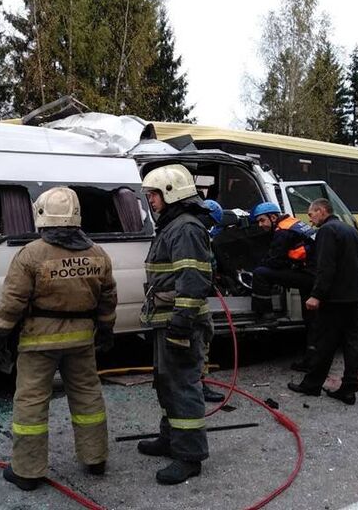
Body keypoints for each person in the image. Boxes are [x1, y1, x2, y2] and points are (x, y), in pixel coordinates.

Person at [0, 186, 117, 491]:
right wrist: (106, 330)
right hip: (82, 341)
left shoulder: (31, 254)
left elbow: (12, 302)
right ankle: (95, 458)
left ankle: (28, 472)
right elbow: (108, 298)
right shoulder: (97, 253)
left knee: (31, 403)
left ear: (42, 215)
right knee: (88, 397)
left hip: (38, 343)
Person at [139, 164, 213, 485]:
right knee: (167, 382)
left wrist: (182, 323)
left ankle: (189, 456)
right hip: (167, 319)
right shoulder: (172, 227)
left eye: (154, 194)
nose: (151, 201)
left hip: (180, 322)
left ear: (171, 193)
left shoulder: (184, 229)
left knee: (182, 386)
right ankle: (171, 438)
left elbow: (193, 280)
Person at [287, 198, 358, 405]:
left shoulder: (327, 231)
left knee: (324, 342)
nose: (310, 219)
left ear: (322, 211)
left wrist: (317, 295)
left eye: (311, 214)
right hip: (354, 296)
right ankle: (348, 389)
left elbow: (325, 267)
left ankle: (311, 385)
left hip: (334, 298)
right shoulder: (350, 230)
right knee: (352, 343)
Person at [249, 202, 317, 369]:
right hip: (313, 274)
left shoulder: (282, 231)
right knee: (311, 320)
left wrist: (256, 268)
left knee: (260, 273)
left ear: (273, 217)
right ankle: (312, 360)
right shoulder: (292, 223)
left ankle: (266, 315)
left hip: (308, 275)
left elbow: (276, 261)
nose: (261, 225)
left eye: (262, 220)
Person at [200, 200, 225, 403]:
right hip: (195, 300)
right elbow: (209, 263)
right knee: (201, 340)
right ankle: (199, 384)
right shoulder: (198, 234)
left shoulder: (178, 226)